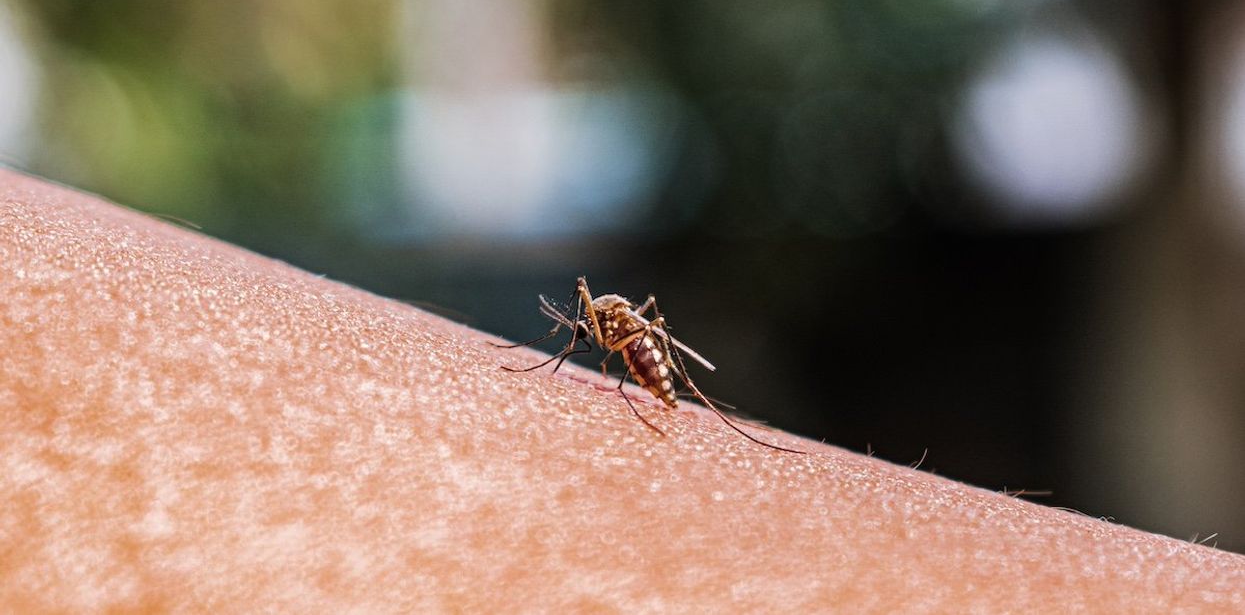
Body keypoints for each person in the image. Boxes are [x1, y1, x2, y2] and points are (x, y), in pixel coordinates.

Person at [1, 167, 1242, 611]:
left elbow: (631, 330)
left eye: (597, 327)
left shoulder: (626, 328)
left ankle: (706, 416)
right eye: (602, 331)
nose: (604, 333)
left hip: (674, 384)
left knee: (658, 360)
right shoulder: (596, 318)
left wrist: (655, 374)